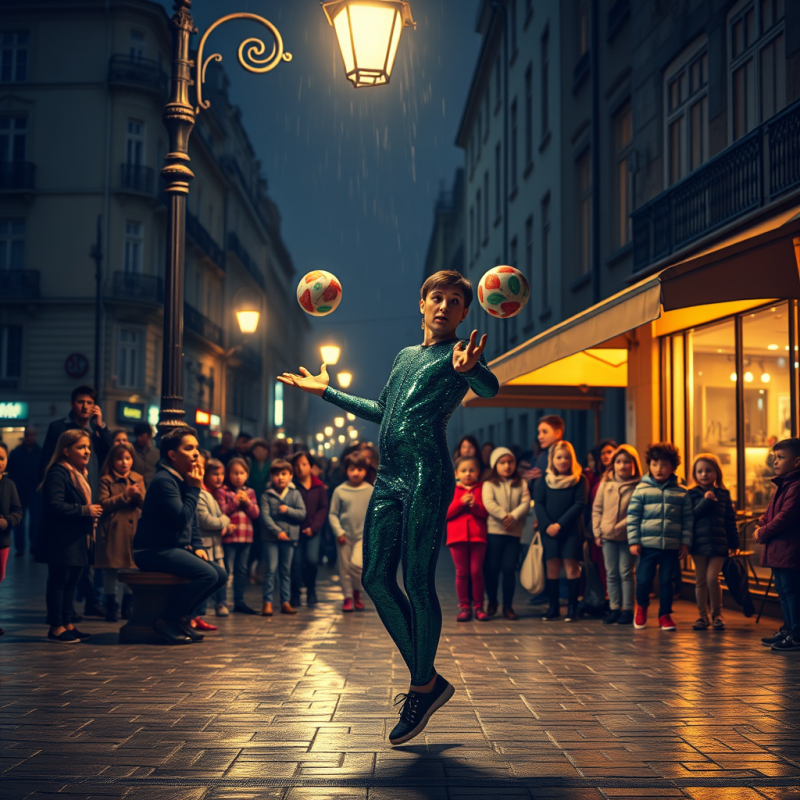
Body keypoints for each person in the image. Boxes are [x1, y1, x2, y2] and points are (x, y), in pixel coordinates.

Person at [280, 269, 499, 745]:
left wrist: (471, 371)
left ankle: (421, 687)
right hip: (390, 475)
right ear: (422, 303)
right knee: (376, 579)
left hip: (427, 474)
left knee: (417, 581)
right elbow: (383, 411)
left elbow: (490, 388)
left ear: (465, 312)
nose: (444, 306)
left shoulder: (459, 355)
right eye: (437, 297)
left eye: (455, 301)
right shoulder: (404, 356)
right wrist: (326, 392)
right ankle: (429, 681)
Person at [132, 427, 227, 645]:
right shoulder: (164, 480)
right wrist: (194, 490)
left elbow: (191, 520)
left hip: (171, 548)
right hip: (151, 550)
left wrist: (197, 545)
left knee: (220, 574)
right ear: (173, 455)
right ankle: (167, 620)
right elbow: (182, 518)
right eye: (189, 448)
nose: (196, 453)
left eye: (196, 448)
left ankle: (183, 618)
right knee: (207, 574)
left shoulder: (182, 478)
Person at [41, 385, 113, 618]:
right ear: (73, 404)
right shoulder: (59, 428)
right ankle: (62, 615)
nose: (85, 406)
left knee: (80, 565)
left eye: (90, 402)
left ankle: (79, 608)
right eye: (81, 402)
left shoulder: (95, 431)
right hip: (68, 501)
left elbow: (109, 454)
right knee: (62, 569)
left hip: (89, 497)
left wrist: (101, 426)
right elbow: (46, 462)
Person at [36, 430, 101, 643]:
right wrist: (84, 510)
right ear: (66, 450)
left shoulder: (80, 473)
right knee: (59, 582)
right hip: (62, 540)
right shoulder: (58, 472)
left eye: (88, 447)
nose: (87, 451)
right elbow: (54, 505)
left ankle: (67, 623)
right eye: (81, 447)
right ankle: (56, 628)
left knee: (72, 581)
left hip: (77, 537)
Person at [627, 442, 693, 632]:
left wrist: (685, 542)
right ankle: (641, 608)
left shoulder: (681, 492)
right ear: (649, 465)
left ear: (673, 467)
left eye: (664, 464)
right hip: (646, 545)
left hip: (671, 546)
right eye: (655, 464)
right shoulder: (641, 489)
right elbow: (633, 517)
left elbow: (688, 520)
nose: (659, 469)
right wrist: (634, 540)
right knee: (643, 580)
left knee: (667, 582)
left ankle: (665, 614)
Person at [534, 440, 588, 622]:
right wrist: (547, 525)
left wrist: (559, 525)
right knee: (552, 566)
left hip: (571, 530)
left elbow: (580, 504)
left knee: (572, 567)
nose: (563, 461)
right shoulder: (544, 480)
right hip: (548, 531)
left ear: (572, 459)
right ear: (552, 459)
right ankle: (553, 608)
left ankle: (572, 609)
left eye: (566, 457)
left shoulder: (580, 480)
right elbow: (538, 504)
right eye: (559, 457)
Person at [754, 438, 800, 652]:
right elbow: (770, 512)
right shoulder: (783, 484)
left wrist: (763, 531)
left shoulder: (796, 486)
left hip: (790, 549)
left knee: (791, 592)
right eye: (775, 457)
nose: (775, 462)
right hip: (779, 550)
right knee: (782, 590)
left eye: (781, 457)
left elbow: (785, 517)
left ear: (797, 461)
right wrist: (761, 523)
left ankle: (796, 634)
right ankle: (788, 628)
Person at [687, 453, 739, 632]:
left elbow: (730, 520)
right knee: (700, 580)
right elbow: (691, 516)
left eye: (708, 470)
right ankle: (702, 616)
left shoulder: (724, 494)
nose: (704, 474)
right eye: (699, 471)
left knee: (712, 579)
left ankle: (717, 615)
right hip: (698, 545)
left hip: (719, 543)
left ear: (716, 472)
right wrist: (706, 501)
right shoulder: (691, 494)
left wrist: (734, 544)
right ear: (694, 474)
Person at [592, 445, 642, 626]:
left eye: (626, 462)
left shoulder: (638, 486)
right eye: (618, 461)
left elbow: (637, 512)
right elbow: (597, 508)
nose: (622, 465)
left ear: (634, 464)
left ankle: (627, 609)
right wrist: (597, 531)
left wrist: (619, 527)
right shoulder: (606, 483)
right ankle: (614, 608)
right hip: (607, 536)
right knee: (611, 573)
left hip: (628, 537)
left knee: (626, 573)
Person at [97, 442, 144, 622]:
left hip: (133, 531)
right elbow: (103, 503)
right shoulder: (106, 480)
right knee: (111, 570)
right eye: (120, 459)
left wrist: (138, 496)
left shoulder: (137, 478)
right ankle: (111, 606)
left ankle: (128, 606)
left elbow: (145, 503)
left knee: (131, 569)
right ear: (112, 461)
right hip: (113, 531)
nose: (124, 462)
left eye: (128, 458)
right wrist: (125, 495)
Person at [481, 447, 530, 621]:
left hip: (513, 534)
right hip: (495, 532)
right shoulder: (489, 483)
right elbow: (488, 502)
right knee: (492, 569)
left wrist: (514, 517)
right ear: (495, 465)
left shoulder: (521, 483)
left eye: (510, 462)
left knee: (509, 570)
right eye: (502, 463)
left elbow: (526, 503)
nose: (507, 466)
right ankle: (492, 601)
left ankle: (508, 606)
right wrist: (504, 516)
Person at [260, 459, 306, 616]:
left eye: (284, 474)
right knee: (271, 569)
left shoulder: (295, 494)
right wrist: (277, 531)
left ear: (290, 476)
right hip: (270, 538)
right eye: (276, 474)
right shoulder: (266, 495)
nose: (280, 477)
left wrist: (288, 510)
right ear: (271, 476)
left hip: (289, 538)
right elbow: (265, 517)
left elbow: (302, 513)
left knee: (285, 570)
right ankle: (267, 602)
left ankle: (285, 601)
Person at [446, 455, 489, 622]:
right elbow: (446, 514)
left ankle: (479, 606)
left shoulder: (482, 488)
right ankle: (464, 606)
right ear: (456, 473)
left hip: (478, 537)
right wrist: (461, 503)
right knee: (462, 573)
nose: (468, 473)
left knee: (477, 572)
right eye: (463, 470)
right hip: (456, 538)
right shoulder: (452, 489)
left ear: (478, 472)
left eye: (472, 470)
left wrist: (475, 506)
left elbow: (486, 513)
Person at [329, 452, 373, 612]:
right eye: (352, 469)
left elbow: (374, 515)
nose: (356, 473)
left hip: (363, 537)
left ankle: (357, 590)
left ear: (365, 470)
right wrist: (339, 532)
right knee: (345, 569)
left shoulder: (370, 490)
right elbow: (333, 514)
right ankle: (348, 597)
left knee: (357, 565)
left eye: (360, 469)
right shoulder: (339, 490)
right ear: (346, 470)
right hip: (344, 536)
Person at [190, 455, 230, 631]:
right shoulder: (199, 494)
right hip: (204, 545)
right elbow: (206, 521)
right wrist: (225, 520)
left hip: (215, 545)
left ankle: (199, 615)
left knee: (217, 577)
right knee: (207, 578)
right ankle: (194, 615)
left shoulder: (207, 493)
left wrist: (221, 520)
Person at [218, 457, 260, 615]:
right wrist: (236, 501)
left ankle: (239, 601)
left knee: (242, 570)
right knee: (226, 570)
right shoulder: (223, 491)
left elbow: (256, 514)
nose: (238, 476)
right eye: (235, 473)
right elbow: (222, 511)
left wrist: (247, 502)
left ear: (247, 474)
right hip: (230, 537)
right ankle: (221, 602)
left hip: (246, 537)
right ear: (228, 474)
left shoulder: (250, 492)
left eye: (242, 473)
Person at [291, 451, 329, 607]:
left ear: (311, 466)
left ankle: (311, 589)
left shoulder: (319, 487)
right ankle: (295, 594)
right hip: (294, 531)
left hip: (313, 530)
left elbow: (323, 507)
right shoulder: (292, 486)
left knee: (312, 561)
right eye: (297, 465)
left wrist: (314, 527)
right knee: (296, 563)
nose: (300, 468)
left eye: (304, 464)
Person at [0, 442, 23, 636]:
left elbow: (18, 511)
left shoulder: (9, 485)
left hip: (2, 541)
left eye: (2, 458)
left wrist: (7, 521)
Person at [7, 426, 41, 556]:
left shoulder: (39, 452)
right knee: (19, 521)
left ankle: (33, 546)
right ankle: (21, 547)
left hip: (33, 491)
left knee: (35, 521)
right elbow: (10, 472)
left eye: (32, 435)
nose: (30, 438)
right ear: (25, 436)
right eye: (28, 435)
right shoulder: (16, 453)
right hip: (20, 491)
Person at [131, 422, 159, 488]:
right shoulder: (131, 450)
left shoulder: (157, 451)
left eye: (142, 436)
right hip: (136, 487)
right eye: (137, 436)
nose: (139, 439)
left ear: (148, 435)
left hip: (153, 487)